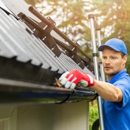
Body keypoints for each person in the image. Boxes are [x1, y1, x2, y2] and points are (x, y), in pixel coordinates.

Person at [59, 38, 130, 130]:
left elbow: (116, 94)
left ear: (124, 59)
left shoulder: (125, 82)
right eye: (104, 57)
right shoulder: (108, 83)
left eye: (113, 58)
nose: (107, 62)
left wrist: (90, 81)